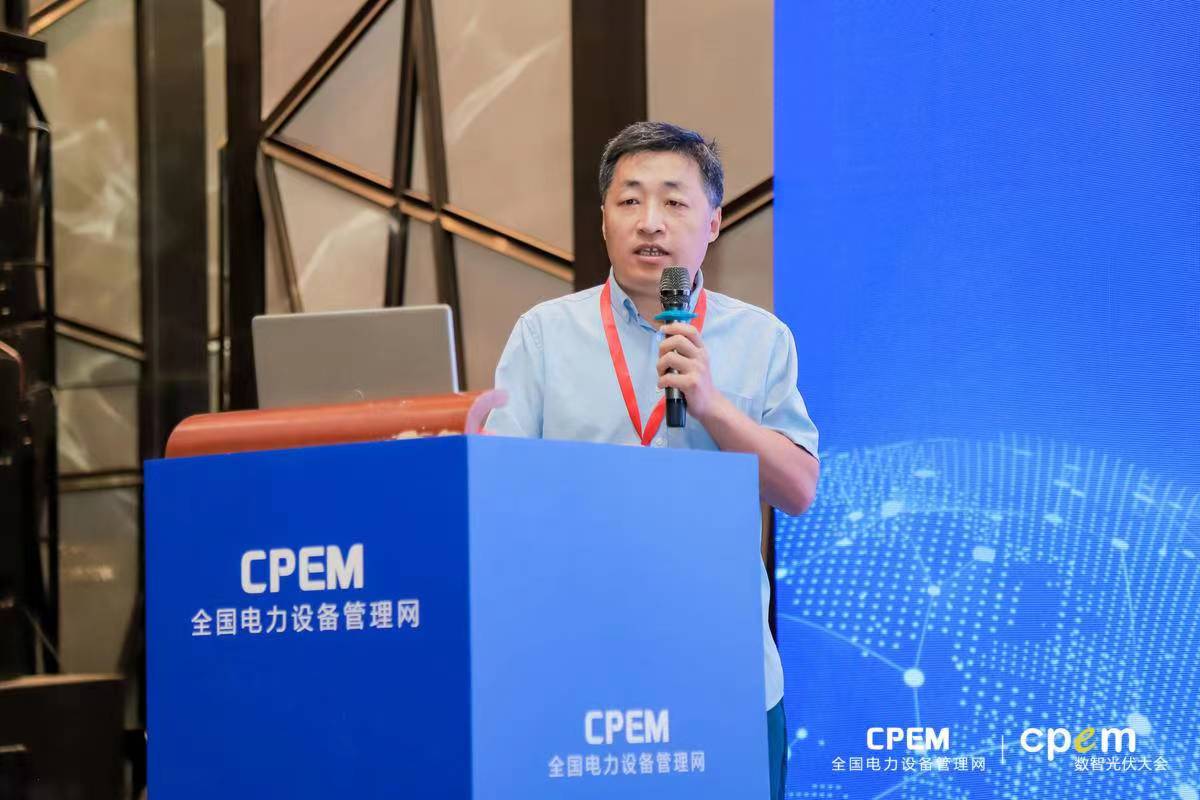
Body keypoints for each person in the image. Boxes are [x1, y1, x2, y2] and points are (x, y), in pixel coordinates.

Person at [484, 120, 819, 800]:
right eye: (630, 200)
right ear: (603, 221)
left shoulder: (761, 339)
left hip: (723, 674)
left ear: (714, 223)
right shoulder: (545, 335)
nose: (651, 222)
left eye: (674, 201)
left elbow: (797, 490)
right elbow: (496, 493)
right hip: (575, 672)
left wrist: (712, 406)